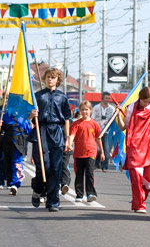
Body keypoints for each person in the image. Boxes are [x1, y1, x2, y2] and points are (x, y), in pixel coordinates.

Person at [29, 68, 73, 212]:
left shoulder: (63, 97)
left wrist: (68, 139)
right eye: (48, 77)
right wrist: (31, 115)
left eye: (53, 77)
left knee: (56, 168)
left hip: (57, 133)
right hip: (40, 131)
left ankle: (53, 202)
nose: (50, 79)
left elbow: (67, 118)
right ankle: (38, 189)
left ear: (57, 80)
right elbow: (27, 117)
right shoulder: (37, 96)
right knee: (43, 167)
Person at [68, 101, 103, 202]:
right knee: (79, 174)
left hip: (91, 152)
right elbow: (72, 135)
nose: (84, 112)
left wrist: (102, 151)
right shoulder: (76, 124)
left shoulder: (94, 124)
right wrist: (69, 144)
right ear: (80, 111)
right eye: (82, 110)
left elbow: (98, 138)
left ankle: (90, 193)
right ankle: (79, 194)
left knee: (89, 173)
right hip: (79, 153)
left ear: (90, 111)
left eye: (86, 110)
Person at [91, 92, 117, 172]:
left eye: (109, 98)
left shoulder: (112, 108)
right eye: (106, 98)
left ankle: (104, 166)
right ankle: (96, 162)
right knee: (97, 149)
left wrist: (114, 130)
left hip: (107, 131)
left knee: (107, 149)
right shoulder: (96, 108)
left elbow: (114, 121)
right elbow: (93, 119)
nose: (108, 100)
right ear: (102, 98)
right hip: (97, 130)